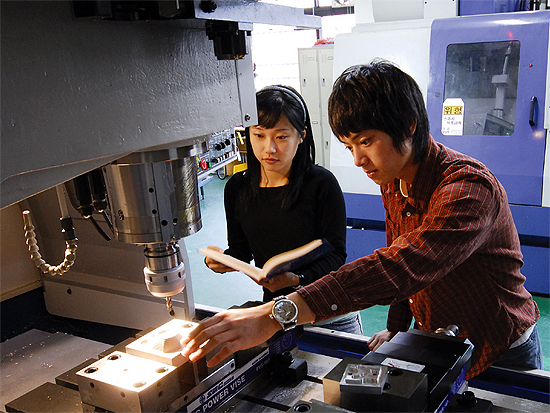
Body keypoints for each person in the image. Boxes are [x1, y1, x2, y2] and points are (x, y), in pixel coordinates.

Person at [183, 61, 542, 379]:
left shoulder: (468, 190)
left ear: (409, 125)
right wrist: (397, 330)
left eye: (366, 141)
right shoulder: (395, 178)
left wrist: (276, 314)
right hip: (444, 342)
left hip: (500, 350)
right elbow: (401, 256)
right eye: (349, 146)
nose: (357, 159)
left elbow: (403, 266)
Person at [204, 84, 363, 335]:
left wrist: (297, 278)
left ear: (301, 135)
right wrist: (222, 260)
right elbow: (242, 250)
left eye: (281, 137)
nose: (269, 148)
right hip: (276, 313)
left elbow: (336, 256)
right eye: (259, 135)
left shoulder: (322, 184)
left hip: (330, 315)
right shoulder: (237, 187)